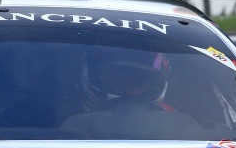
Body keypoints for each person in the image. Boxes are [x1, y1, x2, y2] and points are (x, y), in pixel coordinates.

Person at [61, 50, 206, 140]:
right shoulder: (61, 125)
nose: (129, 91)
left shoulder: (181, 128)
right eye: (118, 81)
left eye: (138, 83)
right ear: (93, 79)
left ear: (154, 86)